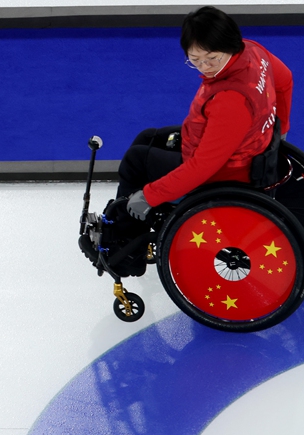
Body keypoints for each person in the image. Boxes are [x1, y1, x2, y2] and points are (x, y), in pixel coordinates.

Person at [84, 6, 293, 274]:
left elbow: (204, 168)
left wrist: (149, 195)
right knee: (148, 137)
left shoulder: (231, 100)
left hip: (228, 171)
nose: (205, 67)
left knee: (136, 162)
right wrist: (281, 126)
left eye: (212, 59)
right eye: (195, 59)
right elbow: (285, 80)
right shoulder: (253, 51)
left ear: (229, 46)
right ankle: (131, 222)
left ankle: (125, 251)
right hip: (244, 145)